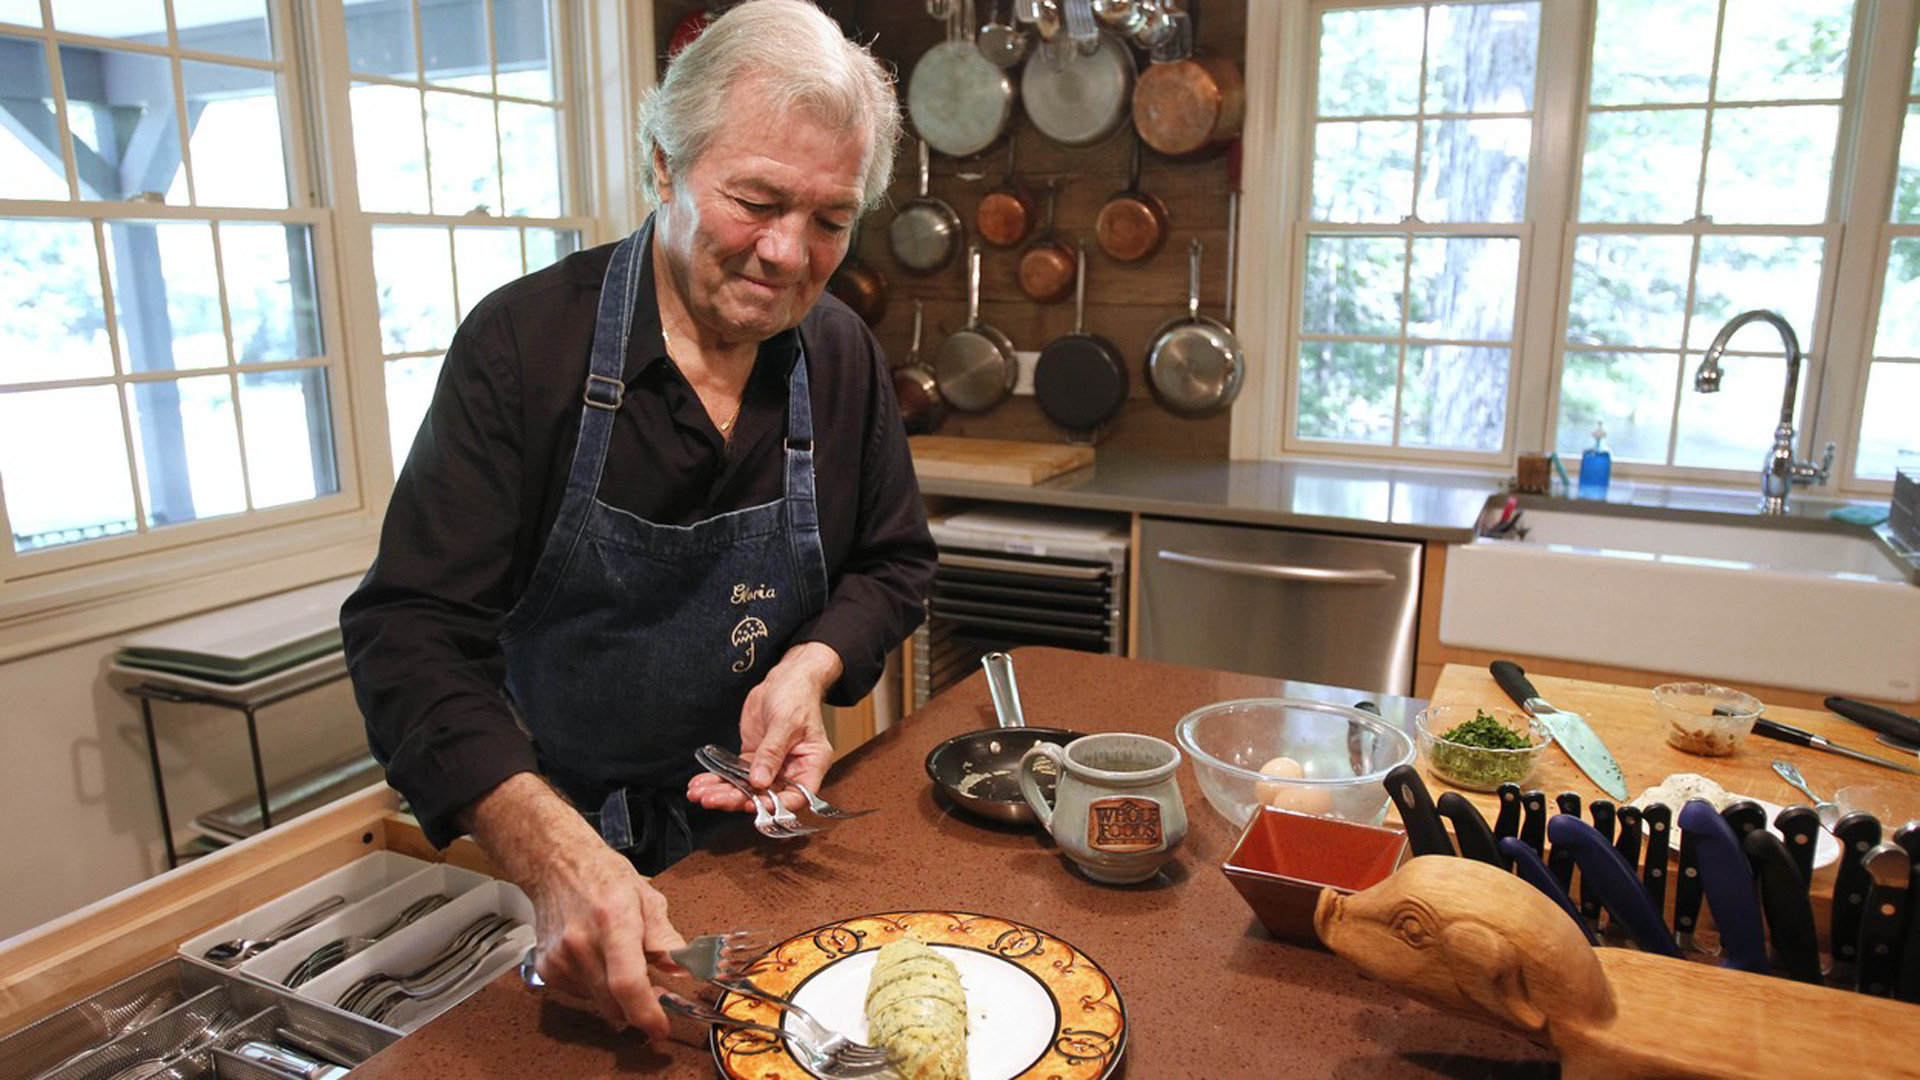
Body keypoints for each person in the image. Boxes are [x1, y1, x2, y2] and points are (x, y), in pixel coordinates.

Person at [339, 0, 933, 1039]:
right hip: (556, 860)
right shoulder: (526, 348)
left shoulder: (838, 357)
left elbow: (892, 564)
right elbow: (409, 633)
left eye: (832, 220)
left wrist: (812, 668)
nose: (789, 253)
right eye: (755, 200)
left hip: (761, 853)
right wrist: (557, 857)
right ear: (663, 163)